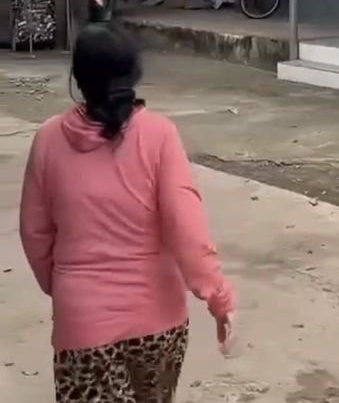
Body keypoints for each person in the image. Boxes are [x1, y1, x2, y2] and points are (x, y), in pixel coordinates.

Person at [19, 23, 235, 402]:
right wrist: (219, 297)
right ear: (133, 74)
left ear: (78, 78)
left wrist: (70, 290)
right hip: (159, 321)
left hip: (83, 323)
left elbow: (34, 232)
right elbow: (187, 229)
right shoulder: (160, 135)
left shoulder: (48, 140)